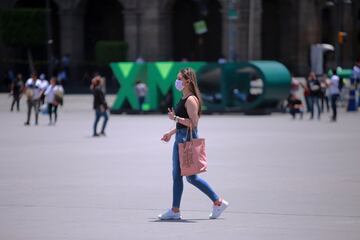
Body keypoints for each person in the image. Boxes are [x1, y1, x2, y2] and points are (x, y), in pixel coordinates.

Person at [158, 67, 228, 220]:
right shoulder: (183, 98)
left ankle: (218, 201)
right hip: (180, 138)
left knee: (191, 177)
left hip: (187, 140)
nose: (177, 81)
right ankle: (175, 210)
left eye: (179, 79)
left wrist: (175, 119)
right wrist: (170, 133)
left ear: (187, 81)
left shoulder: (190, 99)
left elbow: (193, 123)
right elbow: (183, 124)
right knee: (177, 175)